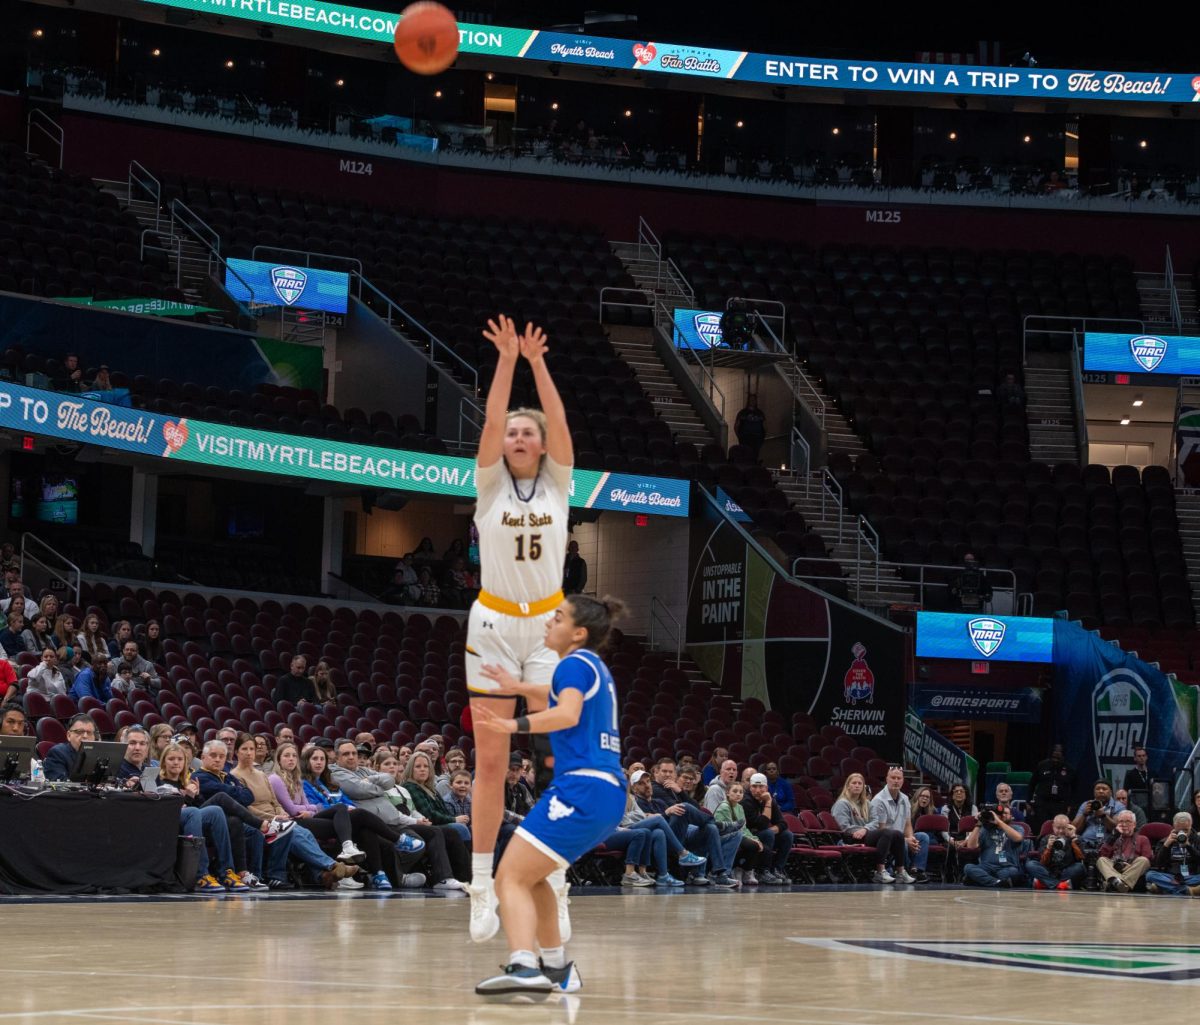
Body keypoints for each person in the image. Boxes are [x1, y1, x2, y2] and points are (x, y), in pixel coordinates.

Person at [465, 314, 574, 945]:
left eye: (528, 430)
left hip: (549, 630)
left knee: (556, 756)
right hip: (494, 623)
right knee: (490, 758)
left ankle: (552, 876)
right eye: (513, 430)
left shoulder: (559, 483)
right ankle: (482, 886)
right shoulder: (487, 487)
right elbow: (488, 422)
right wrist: (505, 361)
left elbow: (559, 425)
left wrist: (538, 362)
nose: (519, 434)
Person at [471, 594, 627, 996]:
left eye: (557, 618)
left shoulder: (574, 664)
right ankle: (558, 968)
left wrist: (513, 726)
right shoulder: (589, 667)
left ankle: (524, 965)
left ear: (578, 633)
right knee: (532, 876)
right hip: (602, 792)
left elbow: (566, 713)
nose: (547, 624)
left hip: (582, 788)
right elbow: (554, 698)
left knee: (508, 877)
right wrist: (517, 686)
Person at [226, 732, 363, 890]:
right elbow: (245, 807)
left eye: (252, 749)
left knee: (305, 833)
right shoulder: (234, 776)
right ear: (236, 752)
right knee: (293, 831)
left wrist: (280, 813)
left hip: (277, 817)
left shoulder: (262, 775)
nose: (249, 752)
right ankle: (330, 866)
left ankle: (322, 874)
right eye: (244, 749)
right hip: (258, 820)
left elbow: (274, 801)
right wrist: (274, 816)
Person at [268, 741, 366, 867]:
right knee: (342, 826)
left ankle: (346, 853)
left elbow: (306, 805)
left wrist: (309, 811)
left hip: (304, 818)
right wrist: (313, 808)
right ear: (278, 759)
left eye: (294, 756)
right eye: (287, 756)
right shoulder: (275, 779)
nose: (291, 759)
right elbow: (292, 810)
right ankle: (341, 863)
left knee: (341, 810)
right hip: (292, 822)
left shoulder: (296, 779)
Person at [832, 772, 907, 883]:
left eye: (860, 783)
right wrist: (860, 830)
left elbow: (875, 821)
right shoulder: (842, 803)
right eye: (854, 783)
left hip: (865, 834)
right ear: (848, 786)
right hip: (850, 836)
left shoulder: (867, 803)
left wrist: (865, 829)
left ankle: (900, 872)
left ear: (863, 787)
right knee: (886, 832)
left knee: (898, 834)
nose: (857, 785)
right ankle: (879, 872)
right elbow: (843, 826)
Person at [869, 766, 930, 883]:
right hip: (886, 839)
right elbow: (881, 830)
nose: (896, 781)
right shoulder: (879, 800)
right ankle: (900, 871)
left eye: (899, 778)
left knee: (923, 837)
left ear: (902, 780)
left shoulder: (905, 798)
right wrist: (905, 840)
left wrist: (911, 838)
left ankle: (917, 871)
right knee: (903, 844)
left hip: (902, 837)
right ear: (887, 779)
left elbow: (907, 824)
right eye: (893, 777)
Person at [741, 772, 794, 885]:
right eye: (754, 786)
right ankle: (763, 871)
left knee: (787, 835)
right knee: (767, 834)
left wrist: (773, 829)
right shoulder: (746, 801)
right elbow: (761, 824)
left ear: (766, 787)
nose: (758, 790)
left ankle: (777, 869)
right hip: (748, 836)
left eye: (761, 787)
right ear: (750, 787)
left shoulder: (770, 799)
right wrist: (768, 803)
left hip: (762, 833)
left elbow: (783, 823)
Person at [961, 805, 1025, 887]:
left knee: (1014, 872)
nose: (1002, 815)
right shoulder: (985, 829)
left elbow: (1018, 838)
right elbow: (971, 846)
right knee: (968, 867)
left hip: (1006, 867)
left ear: (1011, 817)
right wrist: (979, 824)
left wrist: (999, 822)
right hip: (986, 867)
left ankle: (982, 880)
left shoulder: (1017, 828)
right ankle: (997, 882)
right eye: (1000, 814)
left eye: (1005, 813)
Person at [715, 781, 761, 886]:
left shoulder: (740, 807)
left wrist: (755, 839)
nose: (738, 794)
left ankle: (744, 871)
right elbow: (729, 829)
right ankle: (740, 870)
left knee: (758, 845)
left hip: (738, 834)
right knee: (752, 845)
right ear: (727, 793)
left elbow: (744, 828)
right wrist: (752, 841)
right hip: (725, 837)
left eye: (741, 792)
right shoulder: (724, 807)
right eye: (735, 791)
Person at [1145, 812, 1200, 896]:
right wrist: (1166, 846)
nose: (1183, 833)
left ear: (1190, 825)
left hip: (1191, 876)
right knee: (1150, 875)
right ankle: (1187, 890)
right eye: (1180, 830)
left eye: (1186, 830)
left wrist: (1189, 847)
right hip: (1171, 877)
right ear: (1174, 827)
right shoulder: (1166, 840)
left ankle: (1164, 888)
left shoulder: (1197, 840)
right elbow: (1157, 863)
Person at [1097, 810, 1152, 893]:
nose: (1124, 824)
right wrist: (1114, 836)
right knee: (1101, 860)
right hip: (1114, 869)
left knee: (1144, 860)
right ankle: (1121, 884)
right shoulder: (1113, 837)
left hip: (1132, 870)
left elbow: (1148, 859)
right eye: (1121, 821)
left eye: (1128, 821)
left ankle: (1117, 883)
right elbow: (1102, 854)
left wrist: (1130, 866)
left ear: (1134, 825)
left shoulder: (1142, 839)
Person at [1025, 814, 1085, 891]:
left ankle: (1045, 884)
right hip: (1049, 871)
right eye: (1058, 828)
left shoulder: (1075, 838)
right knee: (1030, 864)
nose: (1060, 831)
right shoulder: (1046, 838)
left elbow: (1081, 857)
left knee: (1080, 867)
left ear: (1068, 826)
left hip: (1066, 871)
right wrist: (1048, 847)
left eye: (1063, 828)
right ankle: (1060, 885)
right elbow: (1042, 861)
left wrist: (1073, 838)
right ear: (1053, 826)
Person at [1031, 744, 1074, 828]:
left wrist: (1070, 805)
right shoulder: (1042, 765)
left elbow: (1074, 789)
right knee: (1041, 827)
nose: (1056, 755)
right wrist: (1029, 801)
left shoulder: (1069, 769)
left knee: (1058, 828)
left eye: (1059, 753)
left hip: (1060, 805)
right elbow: (1032, 784)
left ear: (1063, 755)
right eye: (1055, 752)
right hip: (1042, 803)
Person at [43, 713, 96, 780]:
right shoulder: (57, 753)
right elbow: (60, 784)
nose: (85, 736)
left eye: (89, 733)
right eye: (79, 732)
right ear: (69, 735)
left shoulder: (99, 755)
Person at [1073, 780, 1124, 846]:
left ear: (1111, 792)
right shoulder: (1086, 805)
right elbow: (1074, 829)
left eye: (1104, 789)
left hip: (1108, 845)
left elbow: (1117, 829)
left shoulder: (1118, 806)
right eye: (1098, 789)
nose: (1101, 791)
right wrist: (1084, 814)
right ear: (1094, 792)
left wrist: (1103, 816)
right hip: (1085, 843)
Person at [1121, 746, 1152, 819]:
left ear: (1146, 757)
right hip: (1137, 807)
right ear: (1135, 758)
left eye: (1143, 756)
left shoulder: (1153, 773)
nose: (1142, 758)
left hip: (1151, 806)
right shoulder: (1130, 774)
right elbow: (1127, 792)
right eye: (1139, 756)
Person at [734, 394, 767, 459]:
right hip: (745, 439)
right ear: (748, 401)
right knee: (745, 456)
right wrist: (740, 437)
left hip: (756, 439)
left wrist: (762, 438)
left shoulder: (760, 413)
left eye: (754, 400)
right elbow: (736, 426)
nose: (752, 401)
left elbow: (765, 426)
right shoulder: (742, 413)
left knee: (754, 457)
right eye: (751, 399)